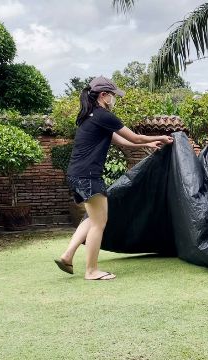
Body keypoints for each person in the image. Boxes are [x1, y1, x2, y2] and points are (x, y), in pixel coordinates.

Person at [54, 76, 172, 280]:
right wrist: (160, 137)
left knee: (92, 218)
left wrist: (147, 145)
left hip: (76, 174)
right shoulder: (104, 116)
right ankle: (91, 271)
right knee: (100, 222)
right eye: (112, 95)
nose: (114, 99)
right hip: (89, 175)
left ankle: (67, 255)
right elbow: (134, 136)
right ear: (103, 95)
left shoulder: (88, 117)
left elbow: (123, 142)